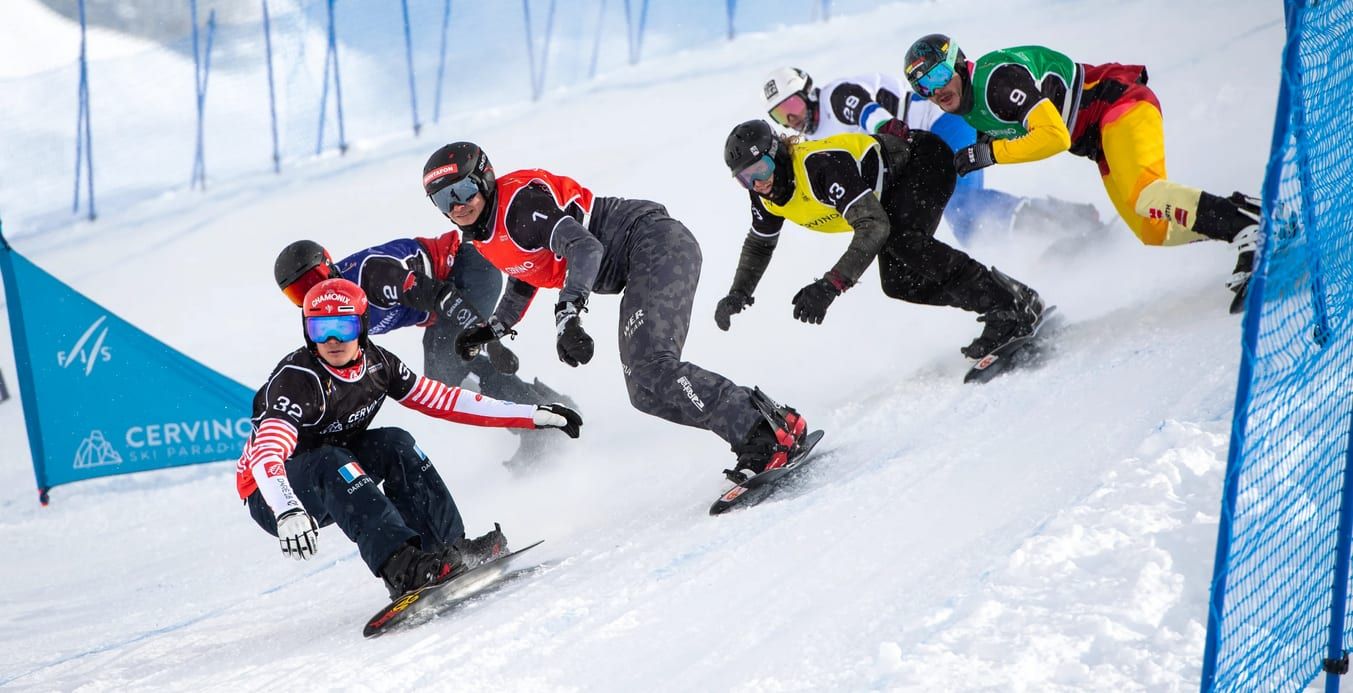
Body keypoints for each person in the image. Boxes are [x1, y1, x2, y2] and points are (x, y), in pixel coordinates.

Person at [420, 141, 808, 484]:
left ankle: (761, 434)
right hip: (643, 259)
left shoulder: (520, 206)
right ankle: (767, 423)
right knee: (644, 392)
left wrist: (568, 314)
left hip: (655, 242)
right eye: (443, 200)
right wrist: (493, 329)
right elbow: (526, 273)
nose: (458, 206)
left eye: (464, 190)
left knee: (653, 365)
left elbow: (585, 247)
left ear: (485, 179)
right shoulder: (485, 232)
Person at [235, 277, 583, 599]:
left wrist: (529, 415)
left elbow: (444, 400)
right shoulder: (297, 381)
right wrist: (286, 509)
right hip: (273, 493)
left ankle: (446, 550)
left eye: (344, 327)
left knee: (396, 444)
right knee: (331, 460)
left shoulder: (378, 365)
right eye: (320, 329)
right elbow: (267, 454)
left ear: (362, 326)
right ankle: (402, 569)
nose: (332, 340)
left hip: (333, 468)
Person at [902, 34, 1261, 312]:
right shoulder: (970, 107)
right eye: (922, 86)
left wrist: (991, 153)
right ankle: (1244, 212)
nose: (935, 90)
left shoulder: (996, 81)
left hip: (1119, 104)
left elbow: (1054, 135)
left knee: (1147, 194)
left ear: (959, 63)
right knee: (1153, 230)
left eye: (938, 75)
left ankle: (1251, 228)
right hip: (1098, 139)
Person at [717, 119, 1046, 361]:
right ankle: (1006, 298)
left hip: (924, 160)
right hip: (890, 193)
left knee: (905, 241)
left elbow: (874, 226)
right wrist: (738, 293)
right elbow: (759, 244)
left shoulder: (818, 167)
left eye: (761, 169)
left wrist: (831, 285)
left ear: (778, 154)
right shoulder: (765, 197)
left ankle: (1007, 307)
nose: (757, 184)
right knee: (899, 283)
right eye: (745, 178)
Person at [272, 235, 577, 471]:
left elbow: (439, 296)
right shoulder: (334, 312)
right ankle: (541, 407)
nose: (312, 293)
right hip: (446, 302)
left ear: (329, 266)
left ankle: (538, 423)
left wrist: (489, 339)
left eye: (313, 280)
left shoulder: (372, 278)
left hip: (469, 271)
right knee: (446, 373)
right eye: (297, 293)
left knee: (446, 366)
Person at [759, 66, 1109, 248]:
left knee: (963, 207)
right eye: (780, 115)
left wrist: (889, 130)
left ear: (808, 92)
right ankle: (1049, 241)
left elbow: (871, 116)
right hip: (921, 151)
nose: (791, 118)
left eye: (792, 105)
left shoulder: (835, 97)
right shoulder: (815, 140)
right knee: (968, 226)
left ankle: (1066, 224)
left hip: (940, 123)